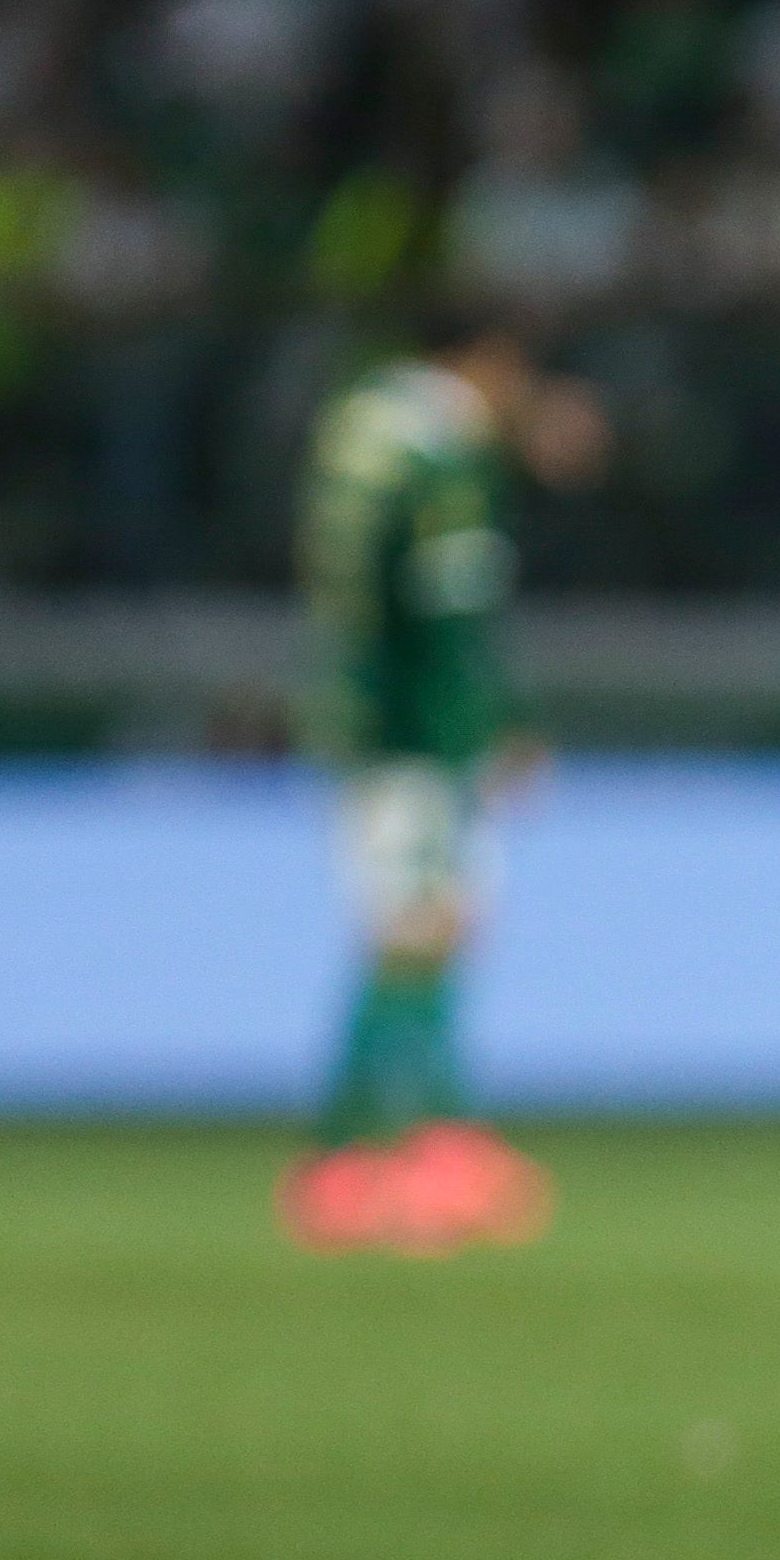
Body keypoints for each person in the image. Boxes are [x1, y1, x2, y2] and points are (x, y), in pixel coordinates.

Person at [277, 304, 606, 1254]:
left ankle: (370, 1158)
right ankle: (403, 1153)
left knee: (405, 932)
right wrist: (490, 731)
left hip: (353, 717)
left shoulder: (361, 429)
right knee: (427, 928)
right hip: (413, 736)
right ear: (489, 362)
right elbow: (448, 620)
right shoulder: (440, 458)